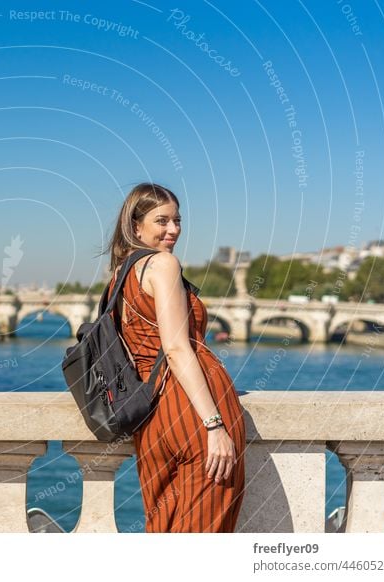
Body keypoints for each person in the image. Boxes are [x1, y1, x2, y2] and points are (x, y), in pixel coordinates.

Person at [104, 183, 245, 533]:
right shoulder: (163, 264)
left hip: (150, 420)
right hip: (191, 414)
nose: (173, 230)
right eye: (162, 221)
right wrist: (214, 425)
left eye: (177, 220)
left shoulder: (119, 276)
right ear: (135, 226)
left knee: (163, 528)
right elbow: (177, 348)